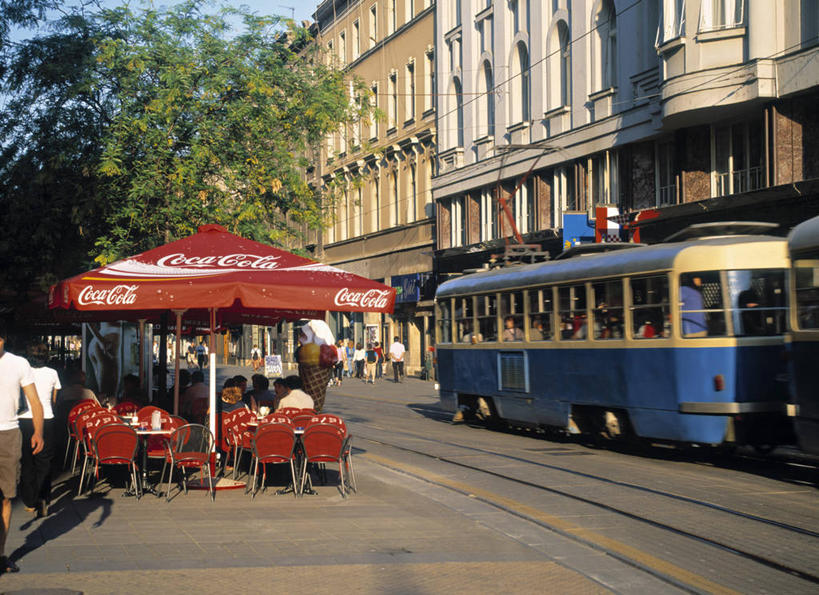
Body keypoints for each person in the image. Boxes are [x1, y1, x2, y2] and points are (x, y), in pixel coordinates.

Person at [0, 328, 44, 574]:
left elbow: (35, 401)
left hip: (8, 433)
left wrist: (38, 432)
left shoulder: (19, 363)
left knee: (6, 496)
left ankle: (1, 553)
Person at [20, 343, 58, 518]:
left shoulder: (23, 372)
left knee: (27, 460)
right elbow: (54, 399)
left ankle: (29, 501)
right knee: (45, 460)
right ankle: (43, 496)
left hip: (24, 419)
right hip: (46, 418)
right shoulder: (52, 373)